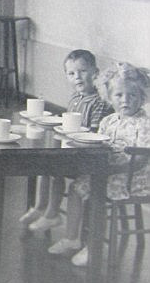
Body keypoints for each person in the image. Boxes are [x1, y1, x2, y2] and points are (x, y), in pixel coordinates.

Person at [48, 62, 150, 266]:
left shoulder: (144, 123)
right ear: (109, 97)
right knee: (76, 188)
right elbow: (99, 146)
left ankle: (93, 247)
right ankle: (72, 238)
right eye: (119, 95)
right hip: (108, 172)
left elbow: (141, 158)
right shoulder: (109, 121)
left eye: (132, 95)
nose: (125, 100)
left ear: (142, 97)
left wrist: (112, 169)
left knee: (96, 190)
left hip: (132, 178)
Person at [20, 50, 113, 231]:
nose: (77, 77)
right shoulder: (76, 98)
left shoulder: (99, 102)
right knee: (44, 164)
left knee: (55, 168)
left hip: (88, 154)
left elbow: (93, 134)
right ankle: (40, 207)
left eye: (83, 71)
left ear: (96, 72)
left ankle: (51, 214)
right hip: (73, 147)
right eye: (71, 73)